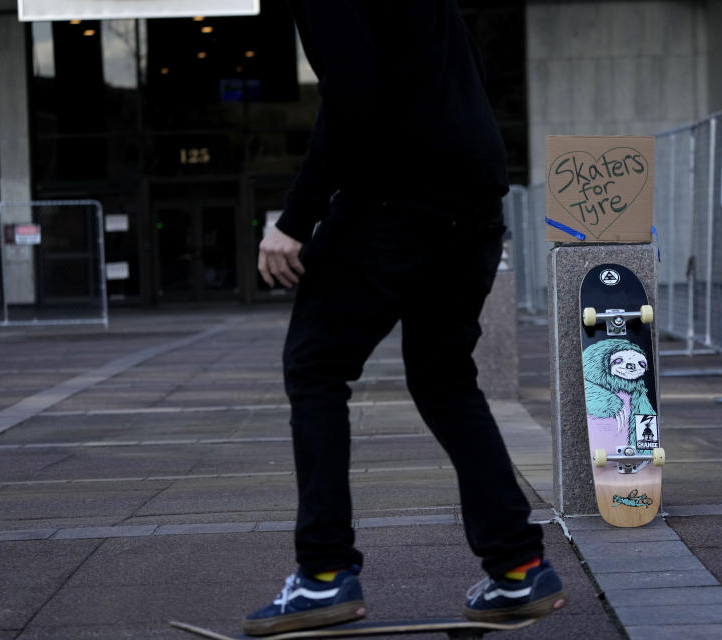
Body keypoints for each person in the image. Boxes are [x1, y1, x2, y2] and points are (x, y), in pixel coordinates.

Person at [244, 2, 566, 635]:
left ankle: (324, 576)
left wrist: (294, 220)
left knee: (314, 368)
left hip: (395, 204)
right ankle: (518, 566)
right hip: (472, 205)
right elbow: (467, 71)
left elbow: (352, 100)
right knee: (444, 378)